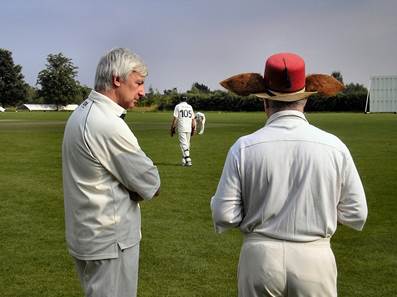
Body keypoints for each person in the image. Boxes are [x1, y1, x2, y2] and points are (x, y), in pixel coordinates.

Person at [211, 52, 367, 297]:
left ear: (265, 102)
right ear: (304, 100)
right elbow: (356, 213)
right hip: (315, 259)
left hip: (260, 258)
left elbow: (224, 214)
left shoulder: (244, 147)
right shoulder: (334, 146)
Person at [62, 48, 161, 297]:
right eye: (138, 83)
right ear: (117, 79)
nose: (143, 91)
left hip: (89, 236)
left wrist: (129, 185)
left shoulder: (81, 113)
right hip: (110, 241)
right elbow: (151, 184)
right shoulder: (107, 122)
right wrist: (133, 188)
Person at [170, 97, 196, 166]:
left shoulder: (178, 106)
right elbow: (193, 119)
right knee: (187, 144)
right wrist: (194, 128)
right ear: (186, 100)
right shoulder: (190, 107)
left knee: (183, 144)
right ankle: (184, 161)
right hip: (189, 128)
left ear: (180, 100)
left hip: (182, 127)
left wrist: (172, 128)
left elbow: (175, 118)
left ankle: (188, 159)